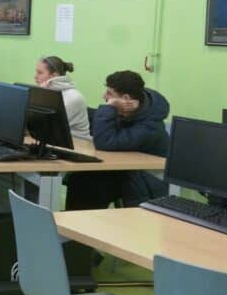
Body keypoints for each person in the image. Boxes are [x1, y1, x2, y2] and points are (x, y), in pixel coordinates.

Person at [65, 70, 170, 210]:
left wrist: (109, 106)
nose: (104, 96)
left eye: (109, 94)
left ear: (125, 98)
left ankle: (80, 225)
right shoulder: (128, 113)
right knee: (81, 179)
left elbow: (105, 142)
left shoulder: (150, 127)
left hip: (144, 180)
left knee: (90, 184)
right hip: (125, 172)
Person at [34, 55, 90, 140]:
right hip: (53, 142)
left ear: (54, 76)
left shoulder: (73, 97)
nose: (35, 76)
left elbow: (46, 125)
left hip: (77, 147)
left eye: (40, 73)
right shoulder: (49, 91)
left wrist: (40, 94)